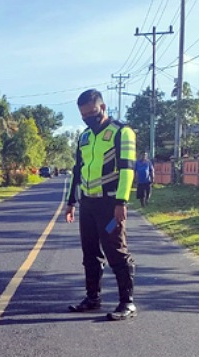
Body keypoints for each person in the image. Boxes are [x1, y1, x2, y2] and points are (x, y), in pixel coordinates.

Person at [65, 89, 137, 320]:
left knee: (115, 251)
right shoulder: (84, 137)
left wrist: (121, 202)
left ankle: (127, 303)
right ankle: (92, 298)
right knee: (90, 253)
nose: (88, 118)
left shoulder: (122, 132)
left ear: (103, 108)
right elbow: (78, 170)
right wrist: (71, 201)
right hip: (88, 204)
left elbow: (127, 169)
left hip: (110, 204)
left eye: (92, 113)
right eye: (83, 115)